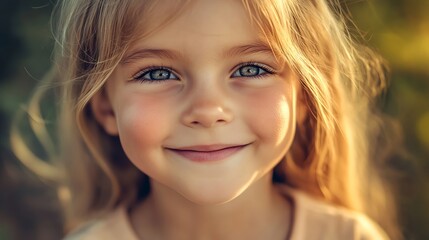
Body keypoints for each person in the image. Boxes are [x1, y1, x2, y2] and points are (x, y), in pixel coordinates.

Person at [12, 0, 402, 239]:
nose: (208, 110)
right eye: (158, 74)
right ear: (106, 108)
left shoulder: (348, 237)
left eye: (250, 68)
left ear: (302, 96)